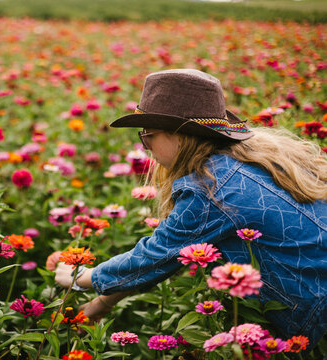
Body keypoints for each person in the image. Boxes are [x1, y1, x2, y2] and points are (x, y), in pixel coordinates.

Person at [54, 69, 327, 350]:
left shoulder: (211, 188)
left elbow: (157, 253)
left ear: (180, 135)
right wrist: (102, 303)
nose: (145, 147)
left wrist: (82, 277)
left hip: (312, 317)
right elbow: (172, 253)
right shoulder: (246, 160)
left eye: (147, 136)